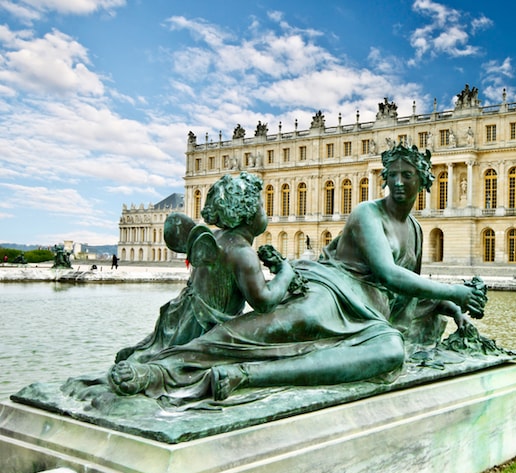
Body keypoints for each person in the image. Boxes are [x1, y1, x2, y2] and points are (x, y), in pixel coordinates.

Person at [109, 145, 487, 402]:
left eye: (409, 175)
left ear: (424, 179)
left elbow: (400, 294)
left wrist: (440, 303)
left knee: (391, 350)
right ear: (385, 177)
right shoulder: (367, 214)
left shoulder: (418, 231)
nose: (401, 182)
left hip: (370, 315)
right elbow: (388, 273)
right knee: (279, 327)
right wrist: (455, 292)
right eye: (395, 175)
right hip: (331, 287)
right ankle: (163, 368)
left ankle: (247, 376)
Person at [114, 172, 297, 364]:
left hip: (184, 320)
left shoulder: (216, 237)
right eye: (261, 206)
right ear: (248, 213)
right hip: (207, 331)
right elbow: (264, 302)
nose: (264, 211)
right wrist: (286, 272)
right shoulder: (242, 252)